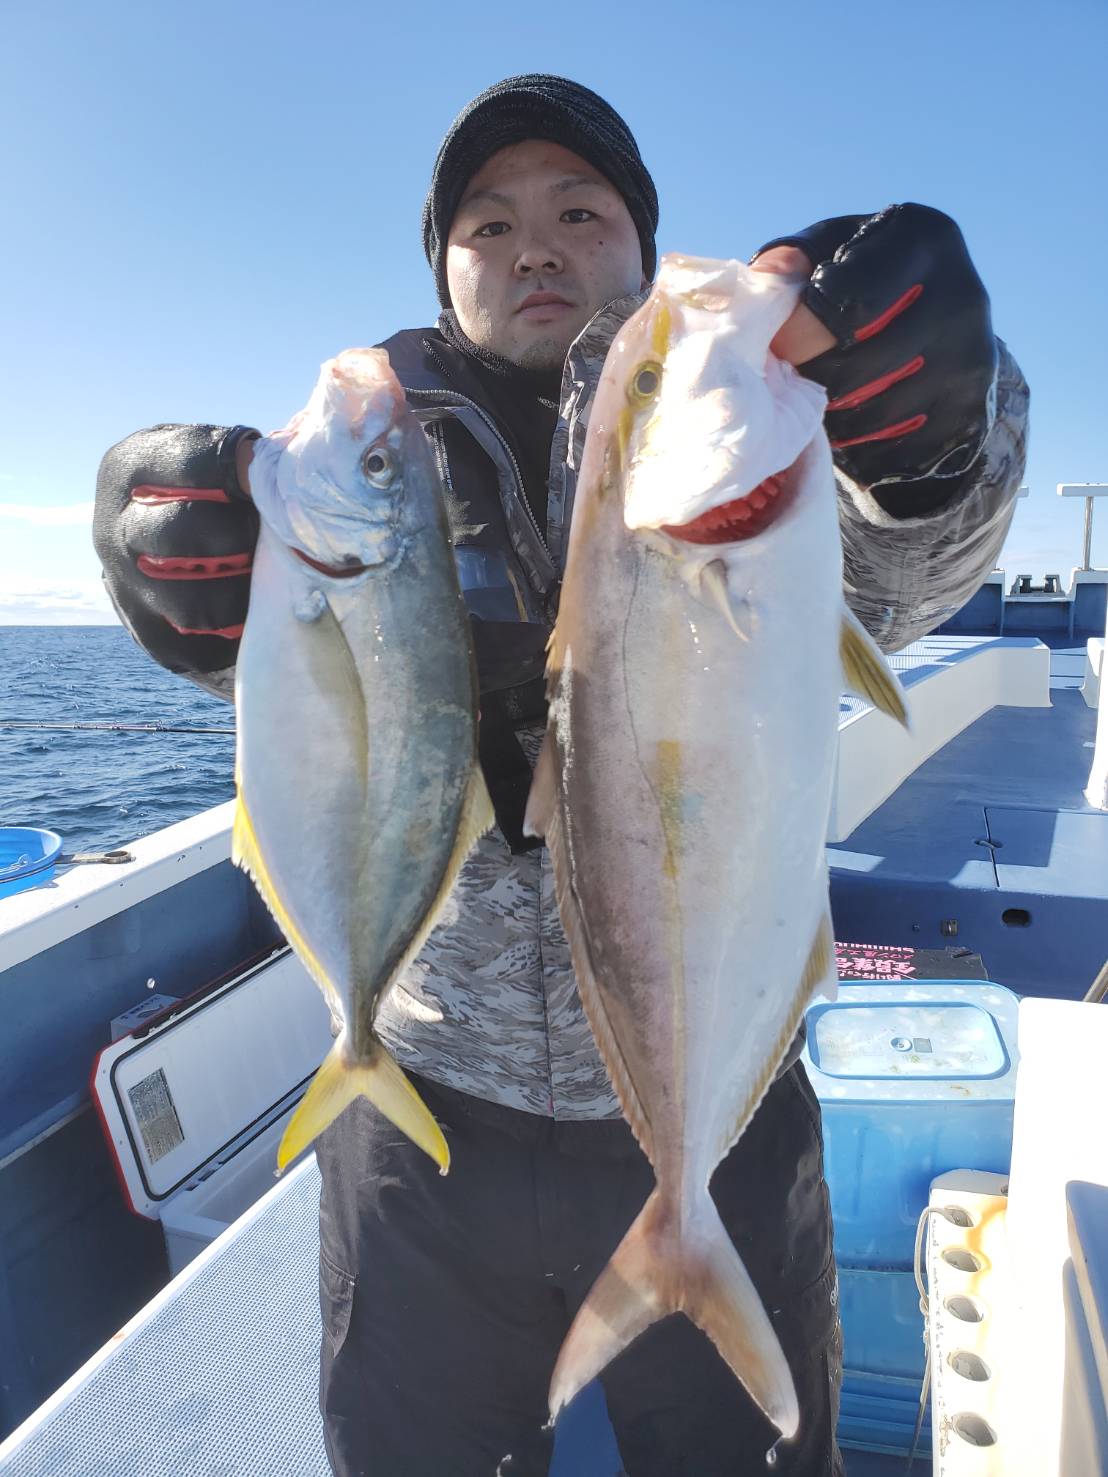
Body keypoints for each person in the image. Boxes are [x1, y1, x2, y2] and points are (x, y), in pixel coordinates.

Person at [93, 75, 1027, 1477]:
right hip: (428, 1138)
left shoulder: (740, 409)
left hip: (719, 1112)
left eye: (579, 210)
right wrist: (182, 578)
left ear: (641, 242)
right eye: (488, 224)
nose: (533, 245)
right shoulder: (370, 459)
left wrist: (941, 445)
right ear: (444, 271)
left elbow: (905, 572)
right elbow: (300, 717)